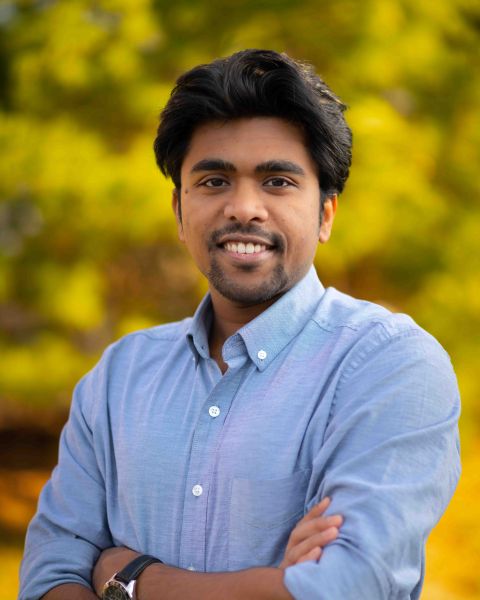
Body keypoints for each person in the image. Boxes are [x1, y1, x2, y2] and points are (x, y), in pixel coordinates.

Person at [19, 49, 460, 600]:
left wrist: (131, 578)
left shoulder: (389, 364)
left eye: (277, 181)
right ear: (179, 211)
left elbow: (348, 586)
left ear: (325, 214)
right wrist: (273, 584)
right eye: (214, 182)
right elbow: (48, 576)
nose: (244, 208)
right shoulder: (119, 378)